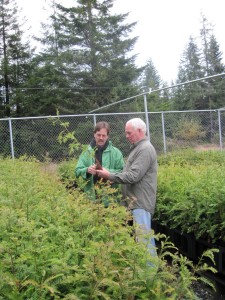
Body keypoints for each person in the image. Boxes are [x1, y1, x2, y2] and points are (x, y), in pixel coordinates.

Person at [96, 118, 158, 256]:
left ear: (140, 131)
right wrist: (109, 173)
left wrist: (108, 175)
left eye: (129, 133)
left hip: (140, 203)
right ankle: (144, 271)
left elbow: (132, 176)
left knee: (144, 241)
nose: (127, 136)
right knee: (140, 239)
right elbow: (126, 173)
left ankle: (149, 274)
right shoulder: (138, 148)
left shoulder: (145, 149)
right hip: (133, 202)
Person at [75, 121, 124, 206]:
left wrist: (109, 174)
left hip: (110, 200)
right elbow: (77, 171)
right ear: (94, 134)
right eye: (98, 135)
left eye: (104, 135)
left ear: (107, 136)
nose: (101, 138)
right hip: (91, 199)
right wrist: (87, 170)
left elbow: (123, 172)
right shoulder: (86, 152)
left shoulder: (116, 153)